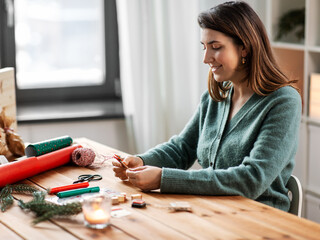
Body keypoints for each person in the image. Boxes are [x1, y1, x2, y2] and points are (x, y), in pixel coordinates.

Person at [112, 1, 301, 212]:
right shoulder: (216, 96)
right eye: (204, 47)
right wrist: (140, 161)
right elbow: (181, 149)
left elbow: (251, 179)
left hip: (260, 219)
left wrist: (162, 178)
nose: (206, 58)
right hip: (211, 211)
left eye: (216, 47)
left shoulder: (283, 101)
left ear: (245, 48)